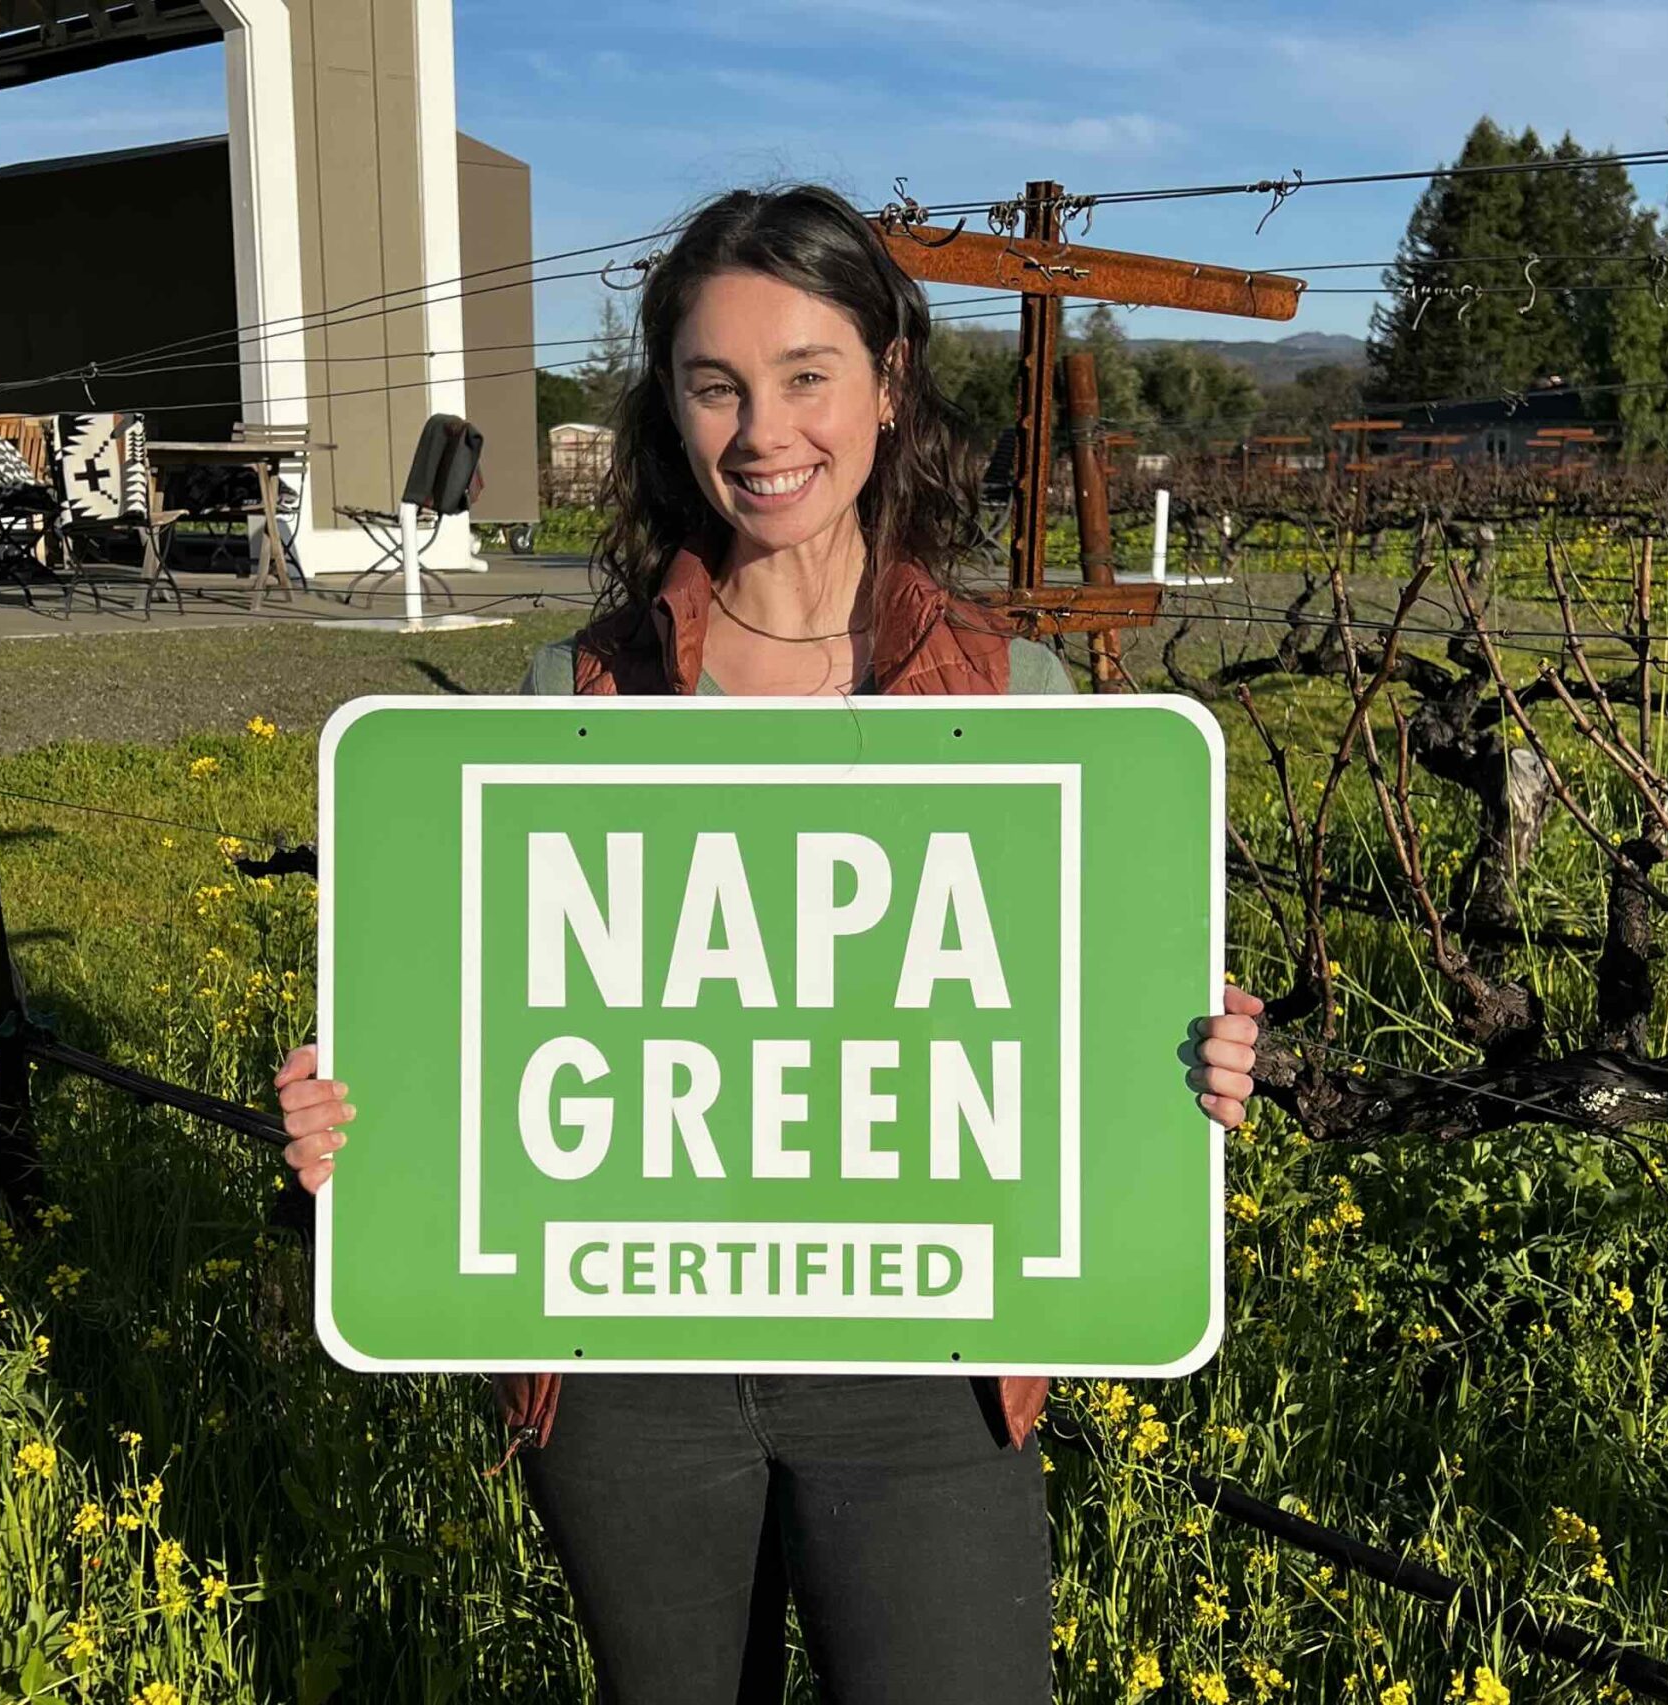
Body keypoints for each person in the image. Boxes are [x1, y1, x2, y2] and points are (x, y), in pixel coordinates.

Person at [274, 183, 1265, 1704]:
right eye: (715, 383)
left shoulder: (1021, 699)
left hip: (929, 1363)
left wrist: (1185, 1063)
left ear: (888, 382)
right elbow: (482, 1046)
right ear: (669, 407)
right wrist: (354, 1127)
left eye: (806, 374)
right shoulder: (575, 698)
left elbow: (1078, 1040)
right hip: (630, 1377)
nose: (762, 430)